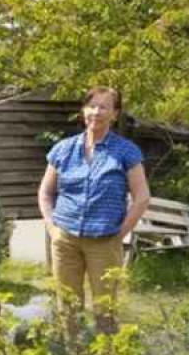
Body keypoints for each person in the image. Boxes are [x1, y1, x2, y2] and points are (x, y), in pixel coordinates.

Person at [38, 87, 150, 335]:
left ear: (115, 114)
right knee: (68, 305)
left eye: (104, 107)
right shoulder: (63, 150)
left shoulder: (126, 152)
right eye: (92, 106)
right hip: (65, 239)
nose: (96, 112)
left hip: (105, 240)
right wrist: (52, 228)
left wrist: (119, 235)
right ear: (83, 110)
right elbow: (45, 193)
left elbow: (142, 198)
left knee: (105, 309)